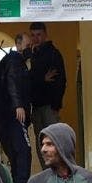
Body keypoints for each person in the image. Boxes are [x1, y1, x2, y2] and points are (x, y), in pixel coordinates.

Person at [26, 22, 66, 162]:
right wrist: (42, 79)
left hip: (49, 106)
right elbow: (28, 80)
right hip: (36, 106)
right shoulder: (31, 55)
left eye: (39, 35)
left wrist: (56, 105)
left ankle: (57, 169)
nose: (36, 38)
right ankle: (46, 170)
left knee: (53, 140)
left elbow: (60, 81)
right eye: (33, 35)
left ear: (45, 35)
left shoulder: (53, 54)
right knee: (41, 142)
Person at [0, 33, 32, 183]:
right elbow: (12, 82)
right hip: (15, 114)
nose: (30, 49)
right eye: (27, 46)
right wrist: (18, 105)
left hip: (7, 115)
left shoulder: (14, 61)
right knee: (24, 149)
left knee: (14, 150)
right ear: (18, 45)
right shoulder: (14, 61)